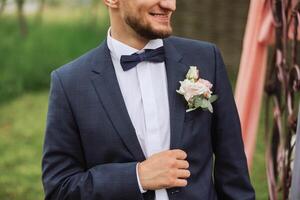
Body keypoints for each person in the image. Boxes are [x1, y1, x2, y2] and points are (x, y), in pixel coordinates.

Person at [42, 0, 255, 199]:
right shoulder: (70, 83)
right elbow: (59, 189)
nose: (169, 4)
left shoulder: (207, 59)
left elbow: (233, 173)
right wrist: (137, 177)